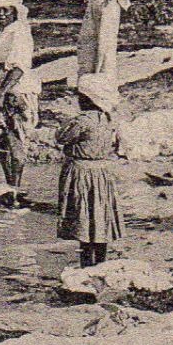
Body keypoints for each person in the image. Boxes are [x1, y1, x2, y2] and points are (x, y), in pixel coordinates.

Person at [0, 0, 41, 205]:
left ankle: (16, 186)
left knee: (15, 139)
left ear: (15, 12)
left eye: (6, 11)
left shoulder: (20, 32)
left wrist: (0, 93)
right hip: (0, 88)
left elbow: (18, 68)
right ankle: (11, 184)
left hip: (15, 90)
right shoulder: (5, 32)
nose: (1, 15)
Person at [56, 73, 124, 268]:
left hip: (81, 173)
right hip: (102, 172)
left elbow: (61, 137)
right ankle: (101, 264)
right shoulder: (108, 119)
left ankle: (86, 266)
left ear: (86, 99)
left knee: (84, 217)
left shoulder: (82, 121)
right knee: (100, 217)